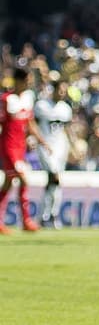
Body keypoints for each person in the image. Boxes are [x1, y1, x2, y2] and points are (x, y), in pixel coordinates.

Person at [0, 67, 51, 233]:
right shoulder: (7, 100)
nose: (29, 83)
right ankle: (26, 221)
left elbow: (30, 124)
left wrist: (43, 142)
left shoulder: (27, 99)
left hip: (21, 148)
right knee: (23, 180)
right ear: (18, 81)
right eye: (27, 80)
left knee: (8, 184)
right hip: (8, 148)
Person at [34, 77, 74, 227]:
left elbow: (67, 129)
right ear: (54, 90)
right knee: (54, 177)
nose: (62, 93)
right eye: (60, 90)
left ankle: (49, 215)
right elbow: (34, 125)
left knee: (55, 182)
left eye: (64, 91)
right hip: (46, 146)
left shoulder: (65, 109)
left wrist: (73, 146)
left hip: (60, 147)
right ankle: (47, 215)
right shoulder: (42, 106)